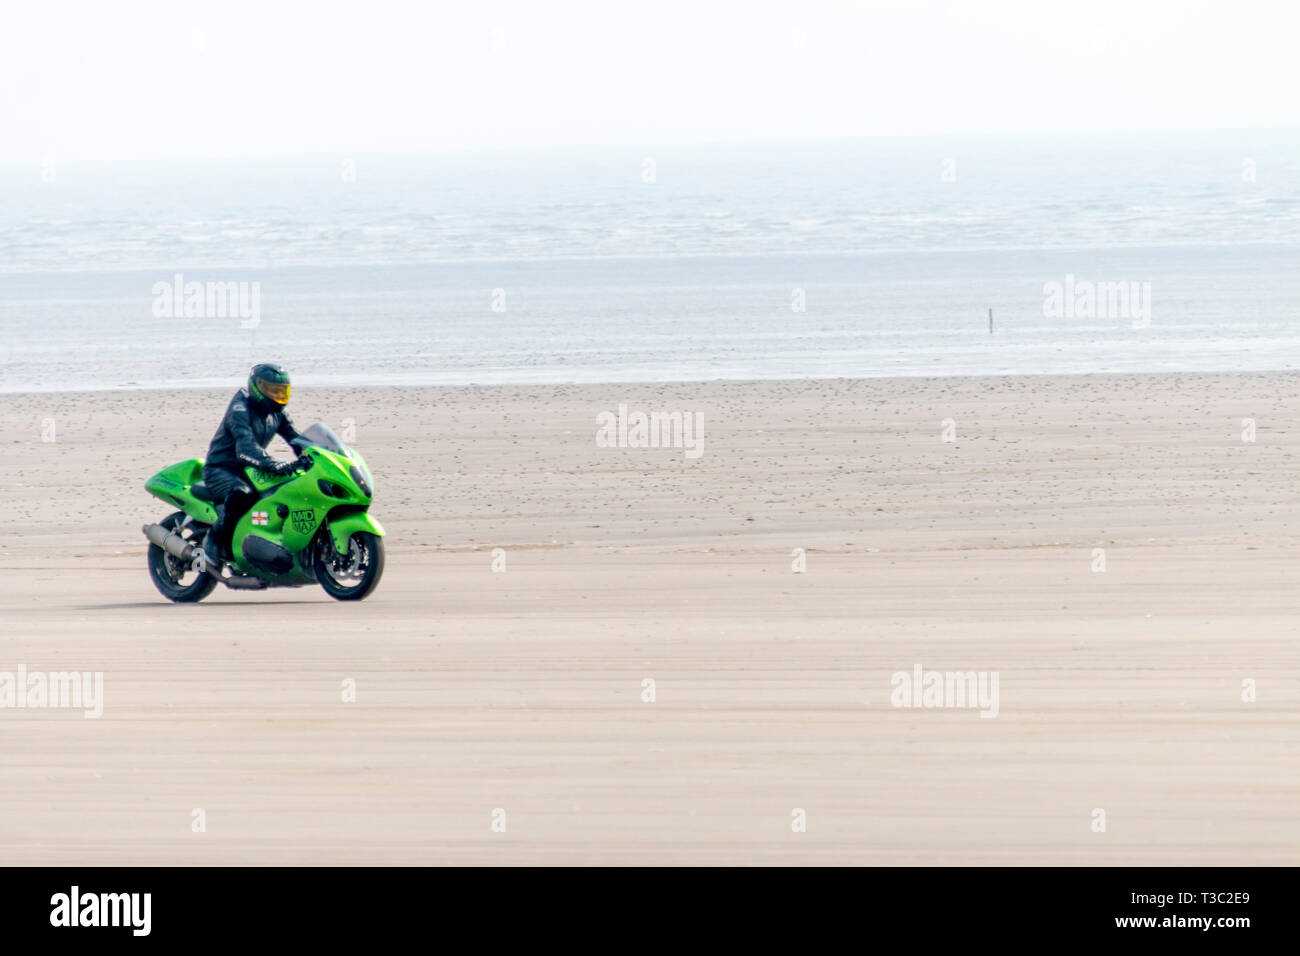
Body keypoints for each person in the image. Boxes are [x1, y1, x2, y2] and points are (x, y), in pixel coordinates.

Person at [200, 363, 303, 570]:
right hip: (221, 469)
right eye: (272, 390)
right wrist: (271, 463)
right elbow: (245, 447)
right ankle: (214, 540)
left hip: (250, 469)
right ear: (257, 387)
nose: (277, 395)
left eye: (281, 391)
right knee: (241, 493)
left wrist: (316, 455)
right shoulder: (240, 407)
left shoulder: (277, 413)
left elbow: (296, 439)